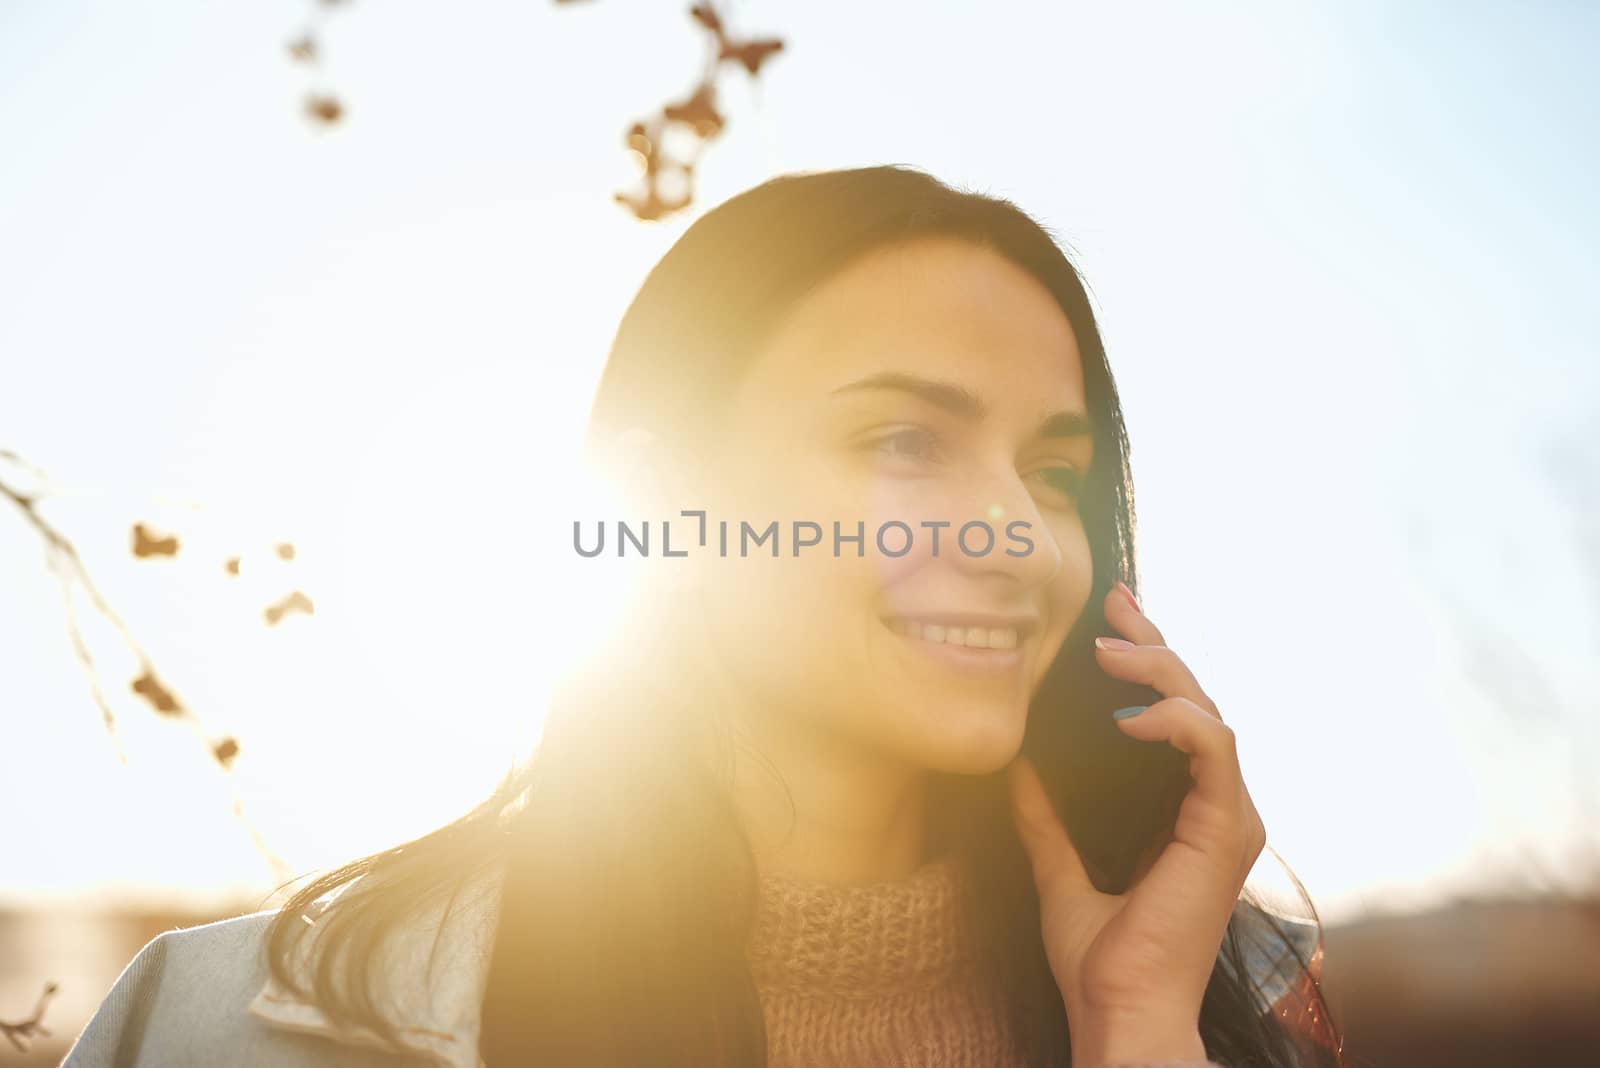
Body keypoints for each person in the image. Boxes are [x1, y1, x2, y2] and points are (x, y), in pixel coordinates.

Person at [63, 165, 1342, 1068]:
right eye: (905, 440)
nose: (1016, 536)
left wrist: (1137, 1036)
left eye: (1053, 473)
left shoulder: (1219, 1015)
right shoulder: (220, 1029)